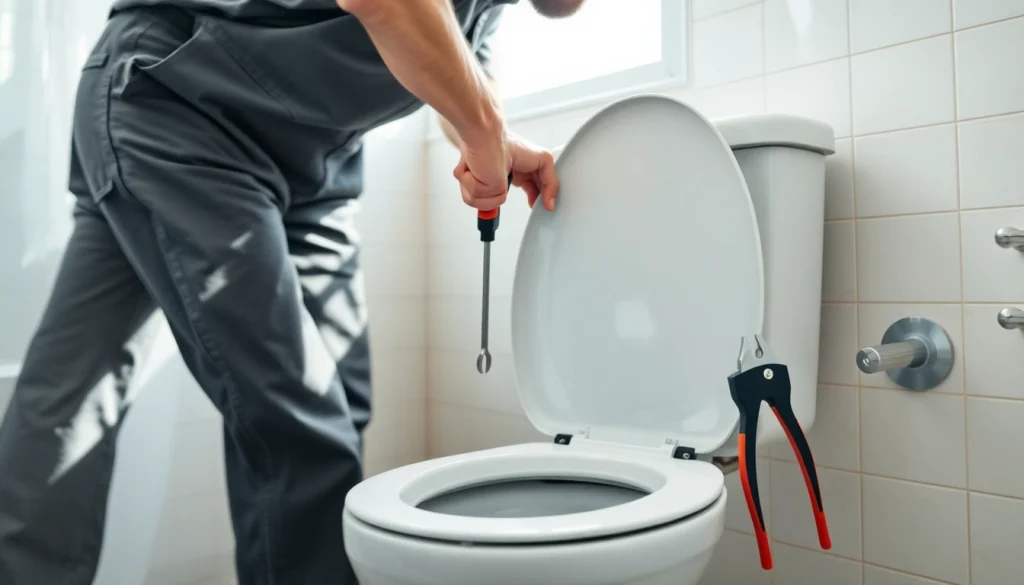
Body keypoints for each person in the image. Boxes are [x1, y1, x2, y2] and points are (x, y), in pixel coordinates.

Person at [0, 0, 583, 583]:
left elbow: (464, 90)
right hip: (178, 105)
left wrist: (492, 141)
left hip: (303, 167)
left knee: (71, 394)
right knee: (303, 428)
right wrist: (486, 130)